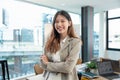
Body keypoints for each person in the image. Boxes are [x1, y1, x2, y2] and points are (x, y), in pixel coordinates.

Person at [40, 10, 82, 80]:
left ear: (69, 23)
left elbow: (68, 68)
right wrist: (62, 64)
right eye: (56, 22)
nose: (59, 24)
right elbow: (42, 63)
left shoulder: (75, 42)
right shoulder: (49, 40)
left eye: (62, 21)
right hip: (49, 77)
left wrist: (48, 63)